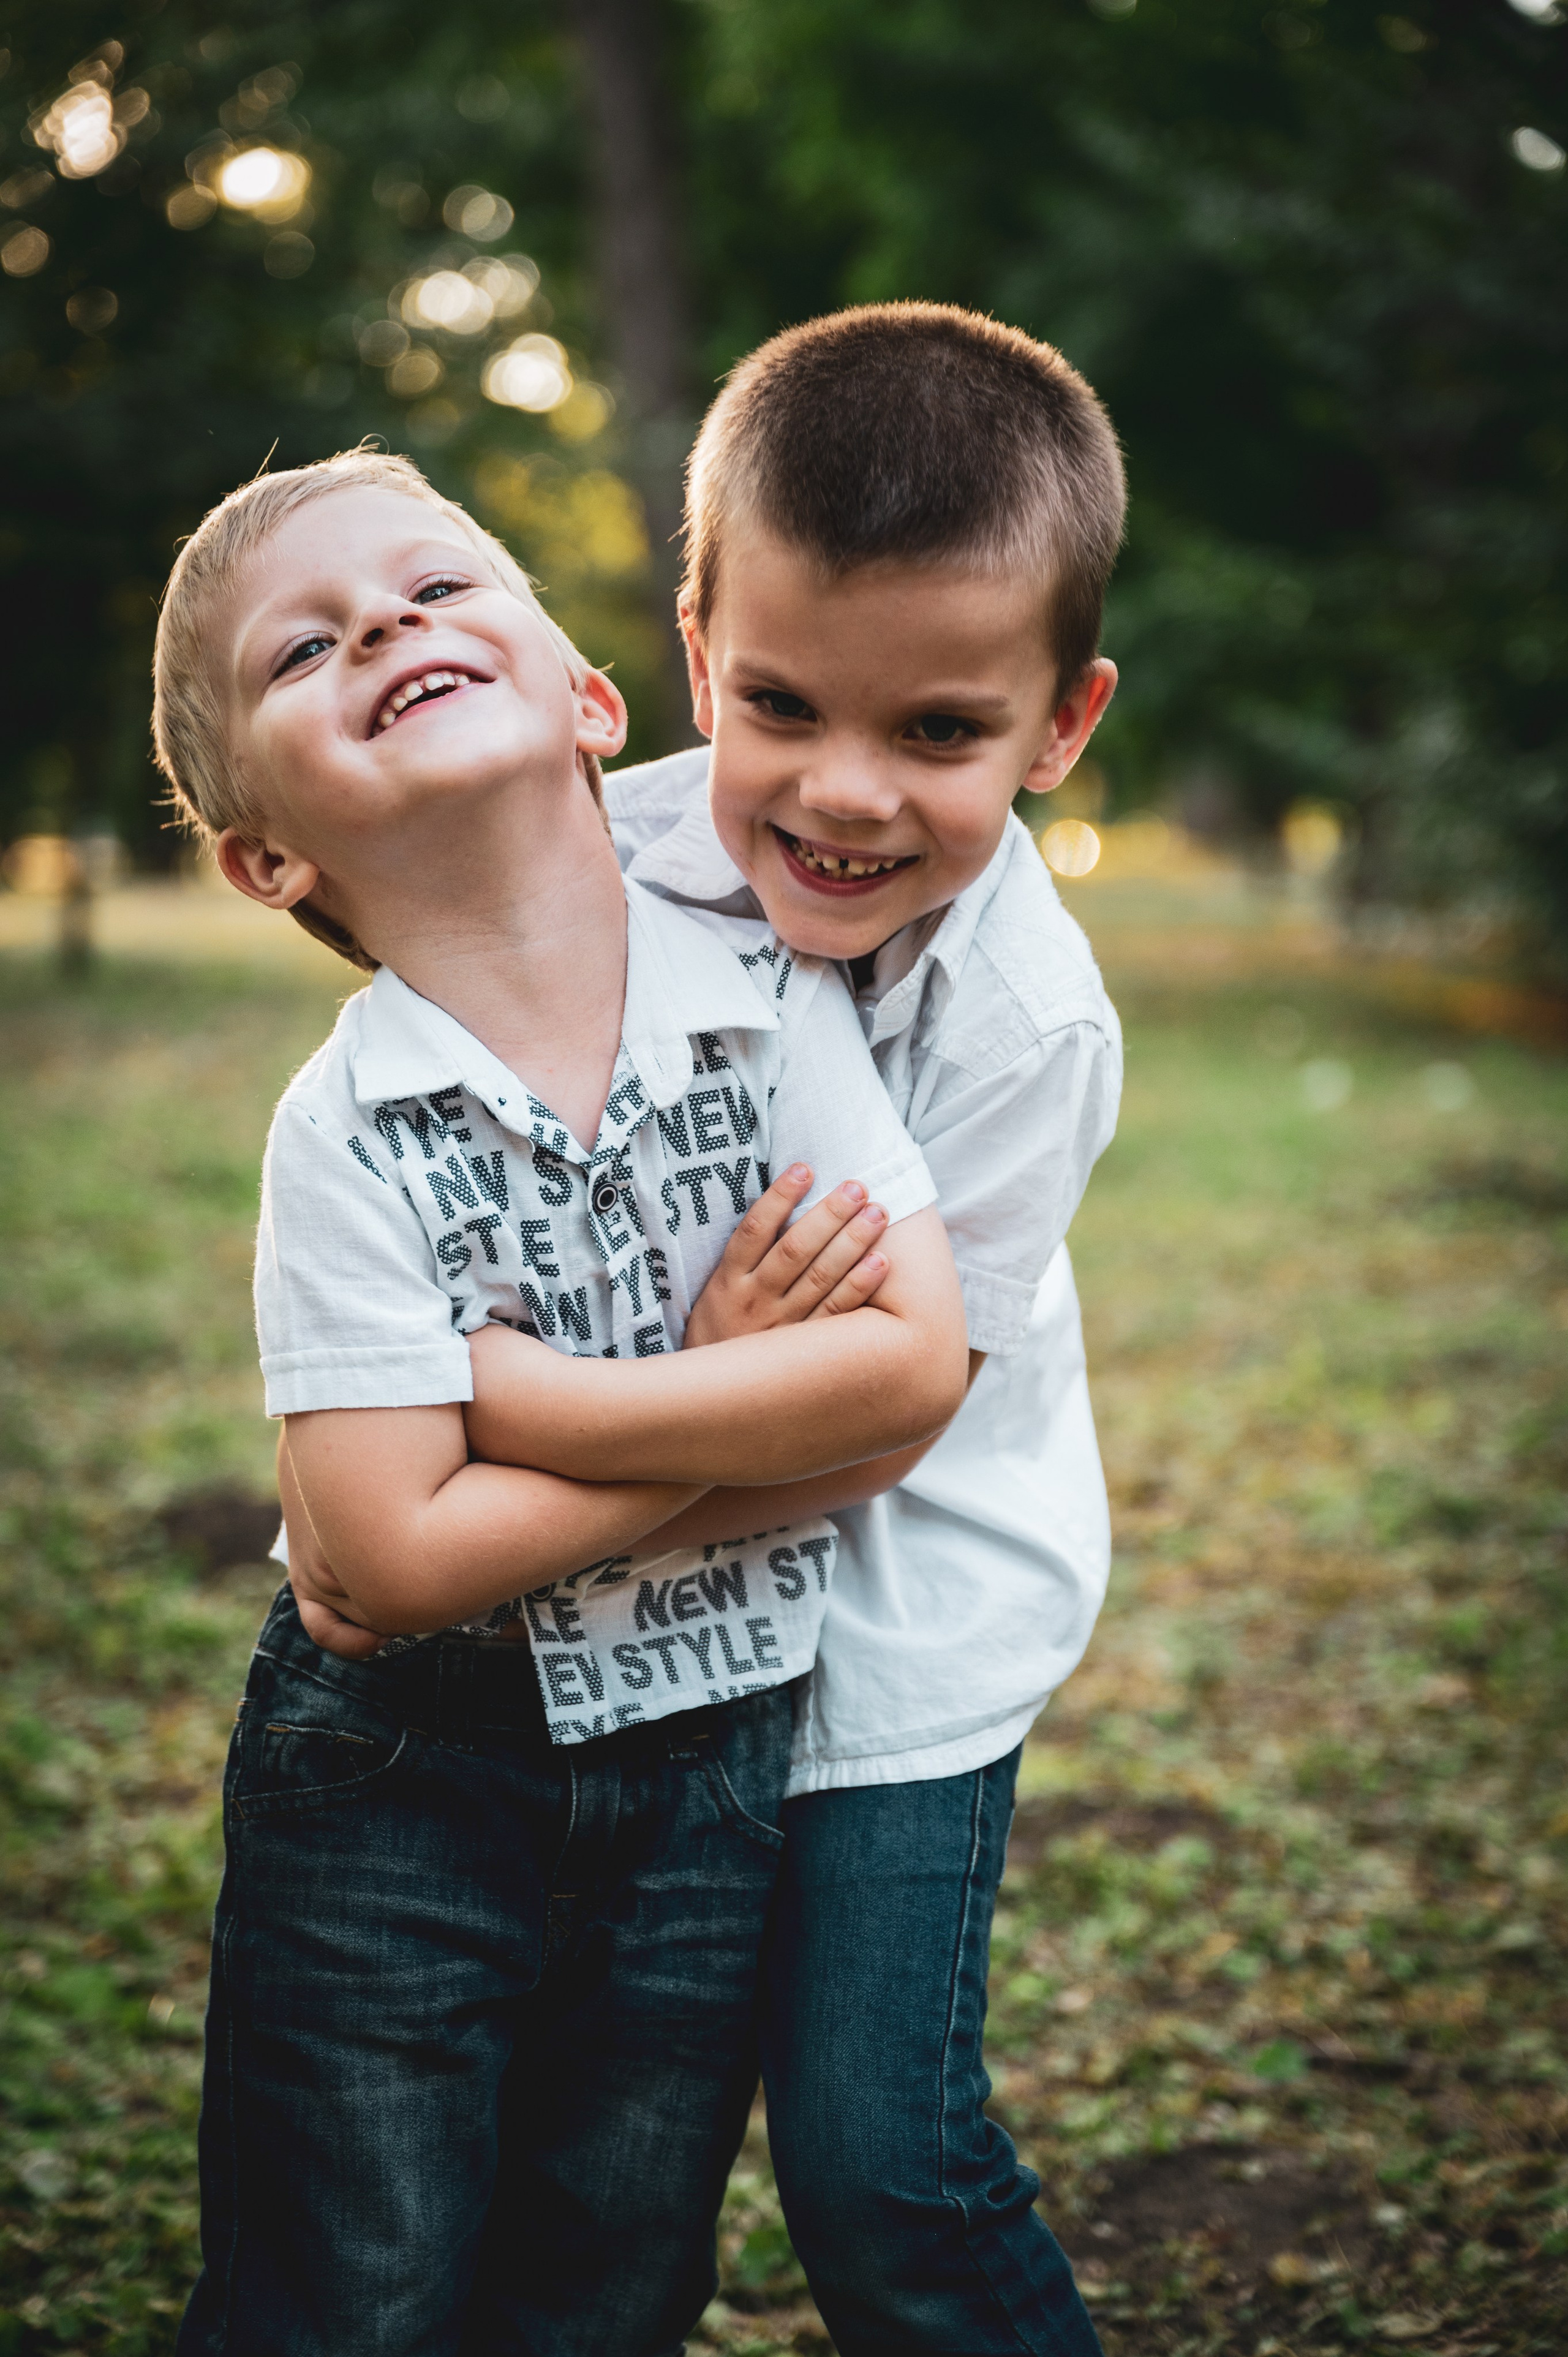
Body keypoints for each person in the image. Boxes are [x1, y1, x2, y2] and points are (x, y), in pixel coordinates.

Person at [149, 446, 969, 2356]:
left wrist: (527, 1413)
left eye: (437, 589)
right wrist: (721, 1390)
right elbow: (385, 1564)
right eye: (307, 648)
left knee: (606, 2285)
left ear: (592, 701)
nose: (386, 629)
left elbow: (907, 1371)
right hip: (401, 1791)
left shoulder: (772, 1008)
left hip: (711, 1768)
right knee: (342, 2291)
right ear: (269, 856)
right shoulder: (345, 1132)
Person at [600, 303, 1126, 2356]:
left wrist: (563, 1494)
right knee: (596, 2142)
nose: (840, 796)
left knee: (874, 2154)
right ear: (696, 643)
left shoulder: (1021, 1019)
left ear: (1060, 726)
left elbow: (892, 1418)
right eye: (780, 701)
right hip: (647, 1624)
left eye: (938, 734)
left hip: (899, 1633)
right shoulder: (610, 864)